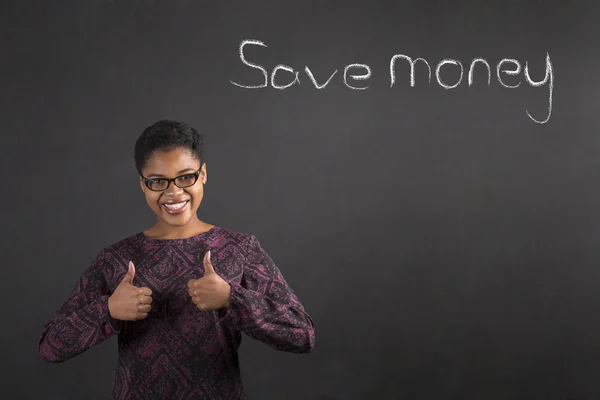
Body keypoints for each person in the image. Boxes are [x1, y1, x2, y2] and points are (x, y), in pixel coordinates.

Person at [38, 119, 315, 399]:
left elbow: (302, 335)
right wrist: (107, 309)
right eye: (158, 181)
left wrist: (233, 298)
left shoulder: (239, 248)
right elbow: (51, 347)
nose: (173, 192)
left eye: (185, 177)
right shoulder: (117, 258)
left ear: (203, 174)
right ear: (143, 185)